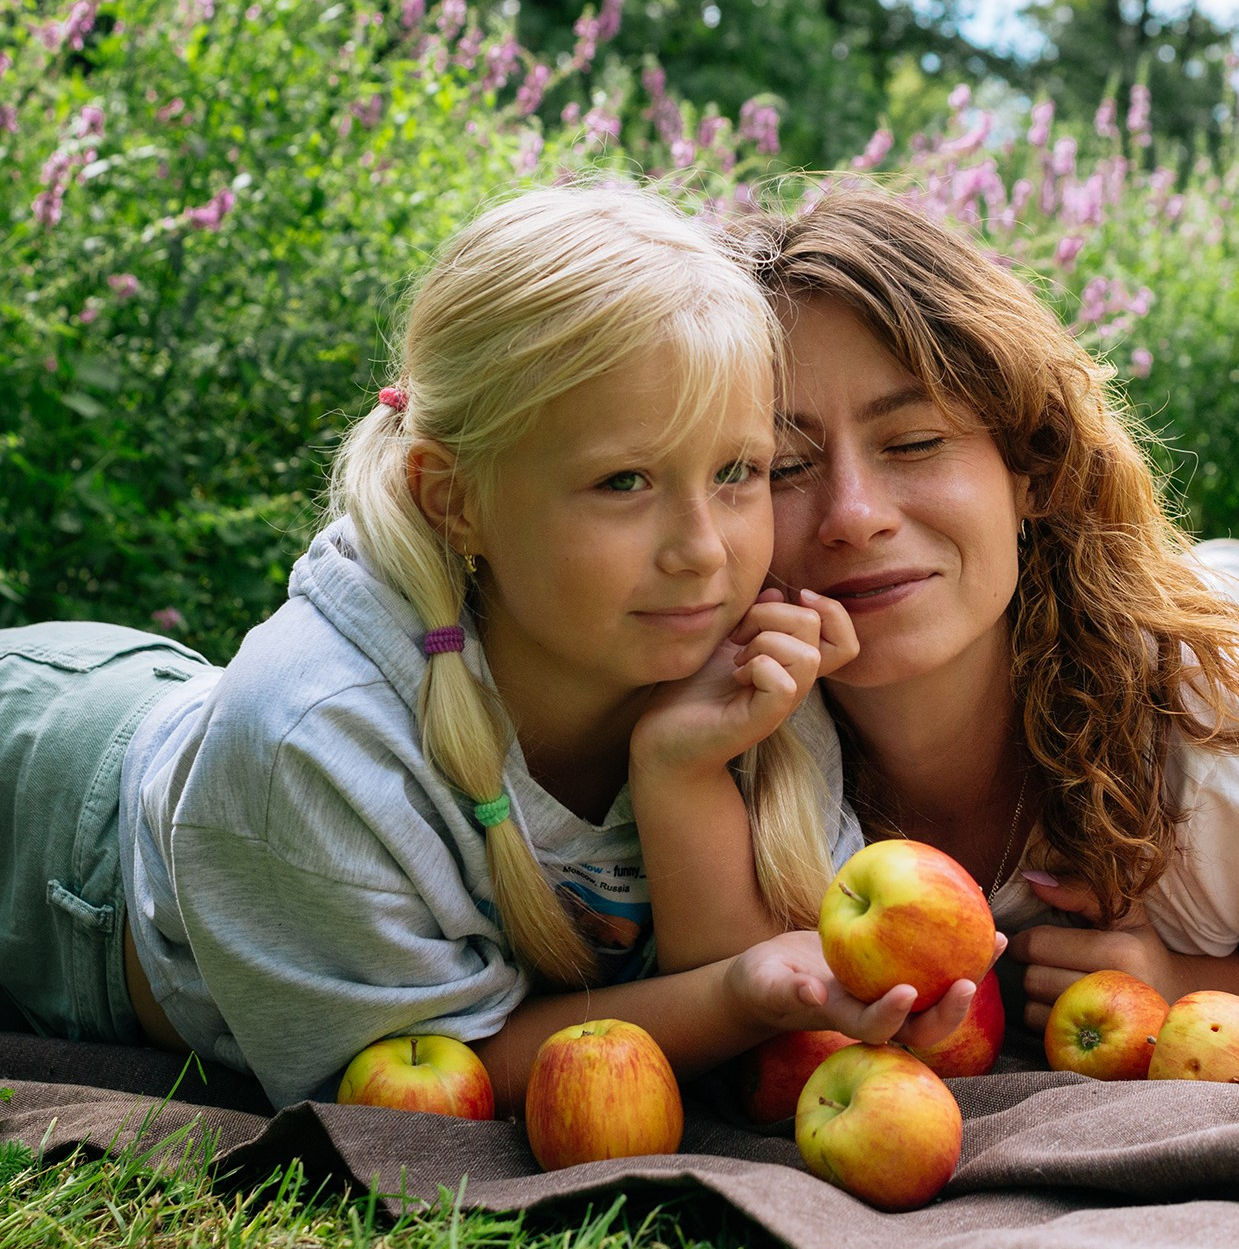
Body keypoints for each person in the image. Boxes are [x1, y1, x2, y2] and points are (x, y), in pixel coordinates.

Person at [0, 186, 985, 1111]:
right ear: (454, 499)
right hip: (48, 805)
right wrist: (738, 994)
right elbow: (437, 1076)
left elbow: (744, 1015)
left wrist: (681, 772)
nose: (703, 550)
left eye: (738, 471)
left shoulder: (744, 657)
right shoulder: (315, 739)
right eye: (624, 482)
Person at [724, 187, 1239, 1032]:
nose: (854, 514)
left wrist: (1177, 977)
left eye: (915, 442)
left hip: (1152, 640)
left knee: (1216, 601)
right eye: (785, 465)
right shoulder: (705, 748)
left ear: (1033, 469)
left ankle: (1219, 578)